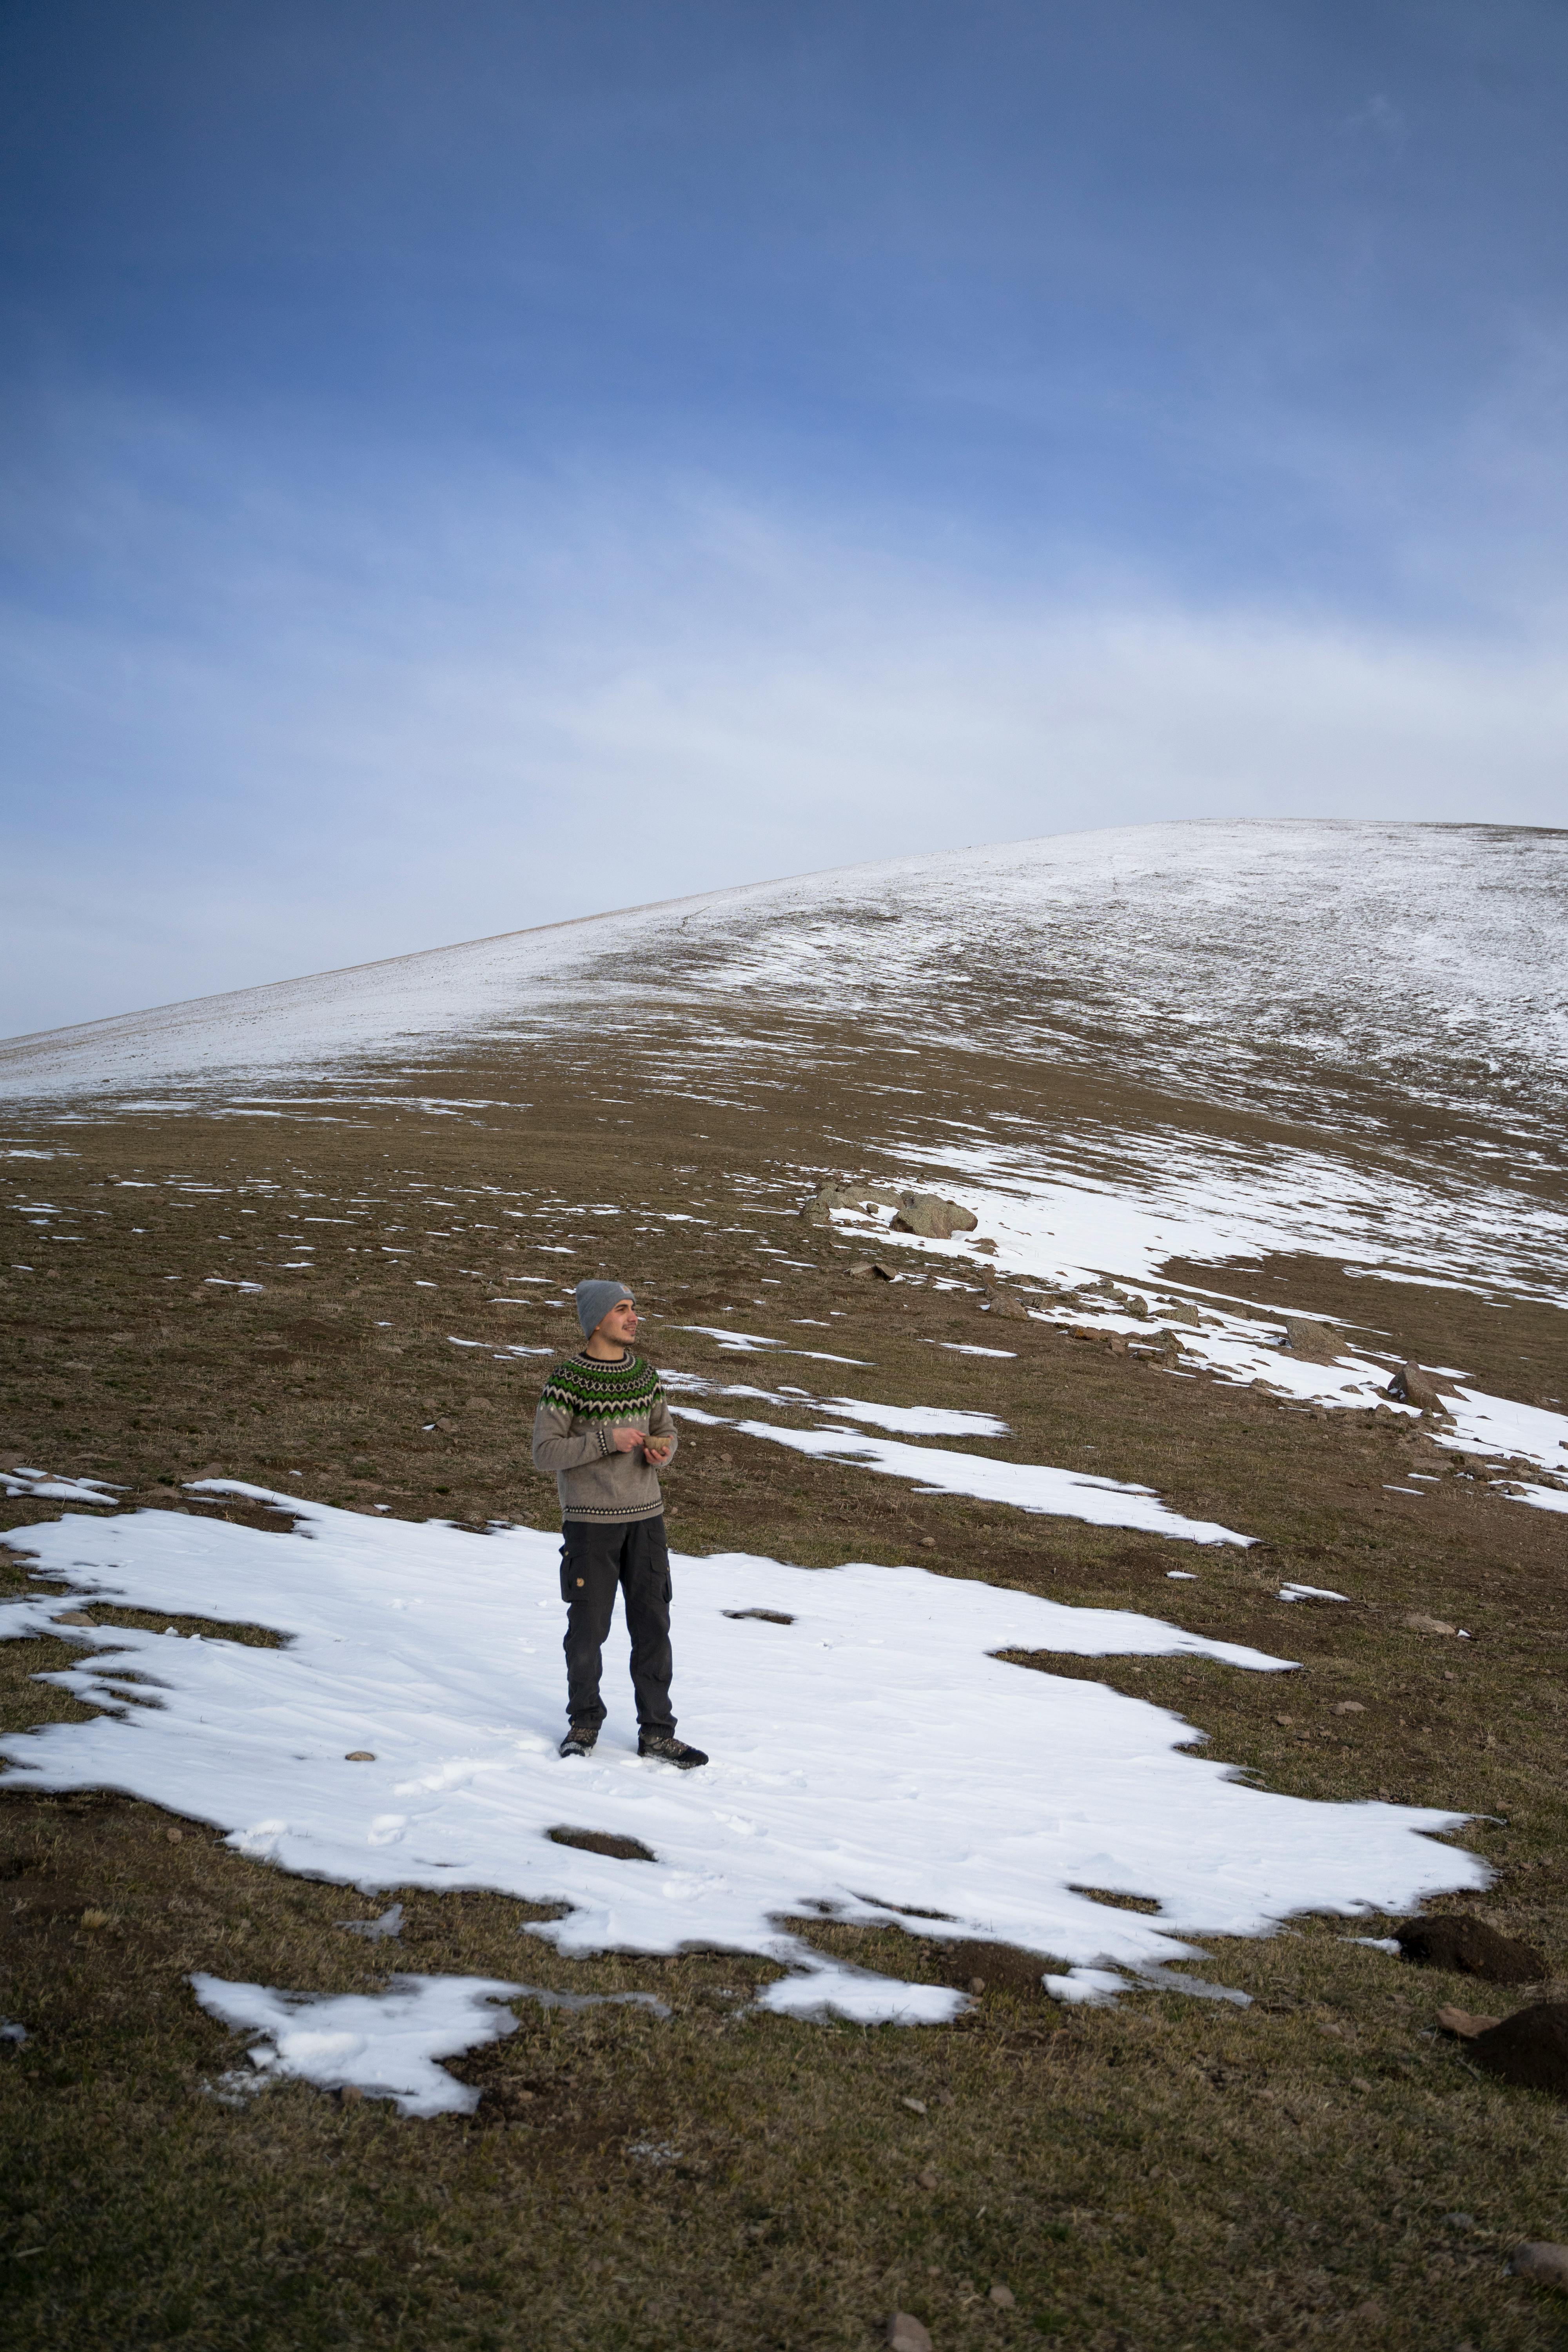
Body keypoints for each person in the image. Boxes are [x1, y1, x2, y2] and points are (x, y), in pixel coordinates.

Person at [531, 1278, 707, 1768]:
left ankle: (657, 1733)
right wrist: (607, 1441)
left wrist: (662, 1451)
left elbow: (666, 1431)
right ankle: (583, 1724)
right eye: (622, 1310)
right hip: (590, 1526)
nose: (633, 1318)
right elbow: (545, 1453)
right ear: (596, 1320)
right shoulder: (567, 1381)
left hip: (647, 1521)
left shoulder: (646, 1376)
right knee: (587, 1631)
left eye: (633, 1309)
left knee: (653, 1628)